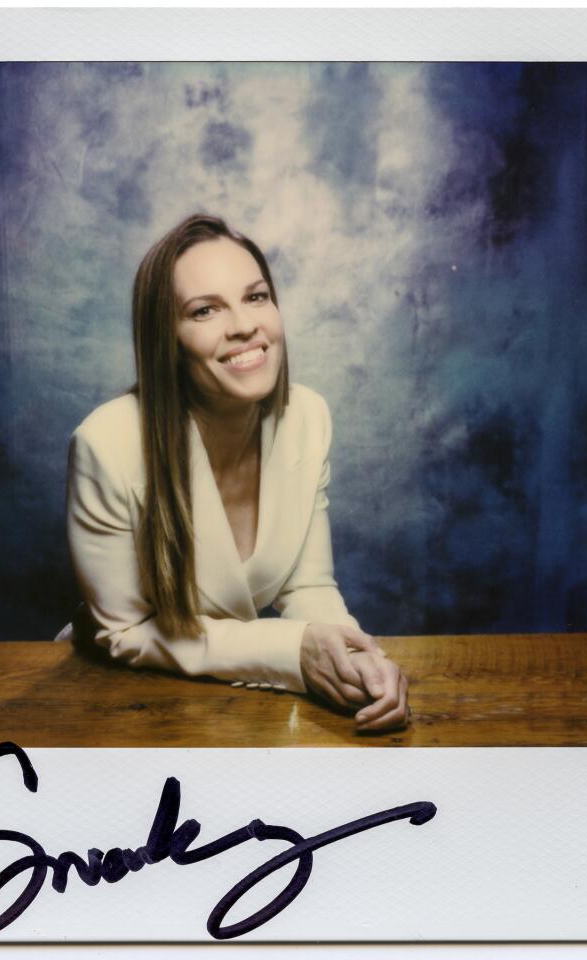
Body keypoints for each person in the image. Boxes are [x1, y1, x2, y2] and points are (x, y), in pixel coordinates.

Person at [65, 213, 409, 731]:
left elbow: (308, 587)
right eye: (205, 310)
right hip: (124, 701)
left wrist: (355, 659)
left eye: (255, 297)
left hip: (236, 710)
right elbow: (126, 632)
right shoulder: (105, 444)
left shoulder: (307, 417)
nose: (245, 325)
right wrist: (293, 652)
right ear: (169, 340)